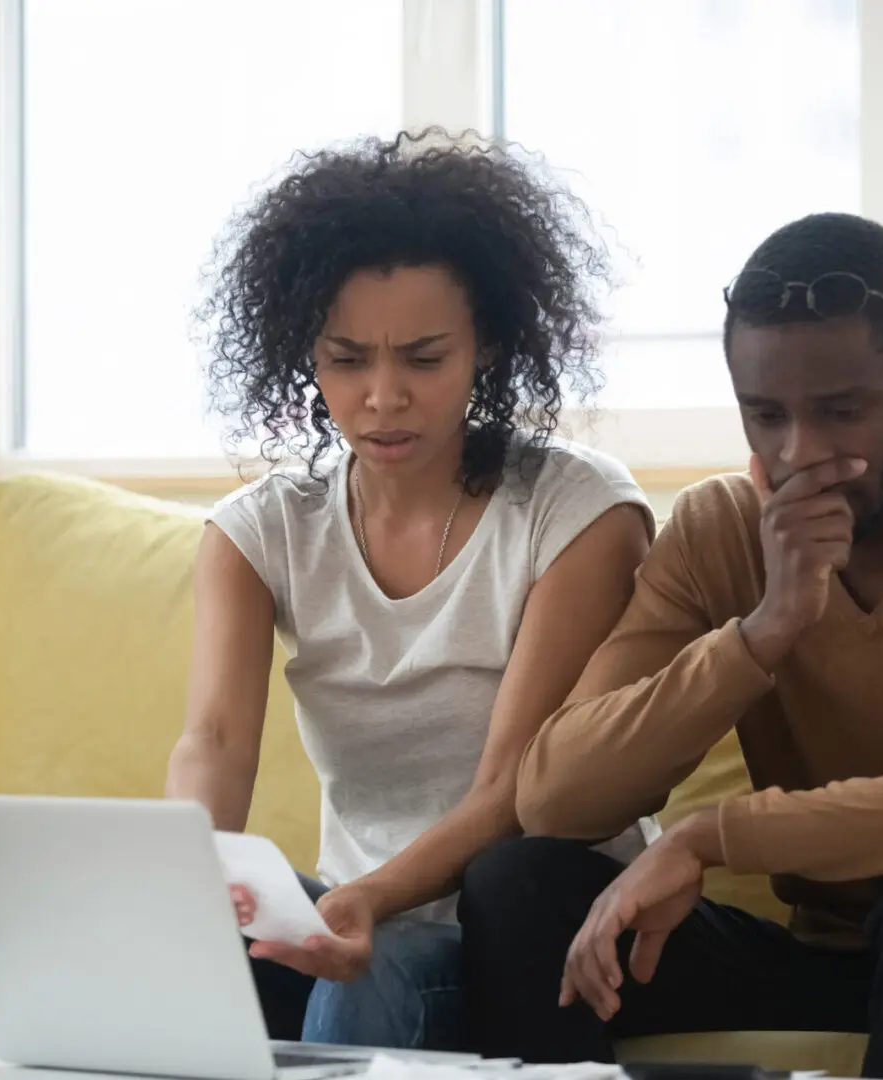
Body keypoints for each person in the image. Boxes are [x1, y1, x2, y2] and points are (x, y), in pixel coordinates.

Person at [458, 212, 883, 1080]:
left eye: (841, 411)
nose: (802, 453)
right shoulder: (720, 529)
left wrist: (712, 837)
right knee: (517, 885)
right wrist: (766, 629)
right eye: (766, 416)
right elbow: (555, 796)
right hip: (834, 964)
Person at [166, 131, 657, 1053]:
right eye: (347, 360)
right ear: (303, 354)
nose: (383, 397)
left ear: (489, 347)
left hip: (525, 925)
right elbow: (214, 742)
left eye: (423, 359)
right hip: (360, 911)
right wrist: (172, 881)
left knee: (381, 960)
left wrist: (372, 898)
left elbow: (518, 785)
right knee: (172, 958)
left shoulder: (577, 512)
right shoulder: (257, 532)